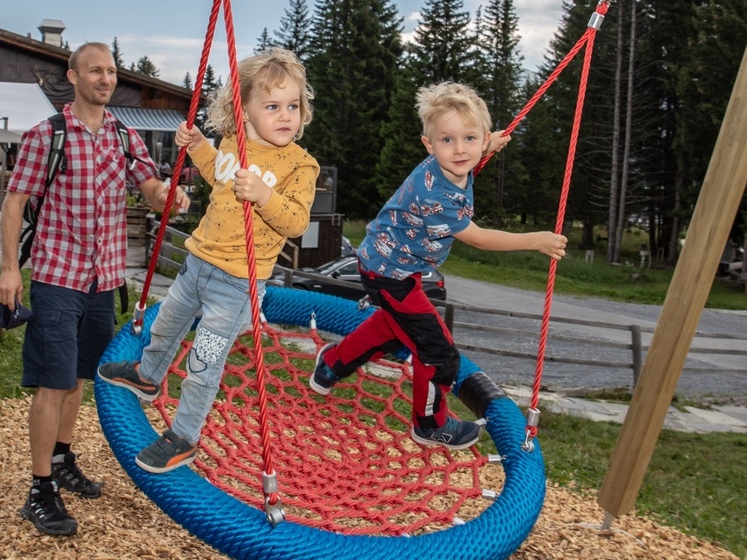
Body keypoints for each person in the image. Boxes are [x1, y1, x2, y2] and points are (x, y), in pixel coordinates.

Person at [0, 42, 189, 536]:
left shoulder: (125, 136)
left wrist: (170, 194)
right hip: (58, 277)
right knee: (53, 381)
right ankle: (39, 490)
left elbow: (149, 186)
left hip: (105, 280)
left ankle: (60, 458)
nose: (106, 78)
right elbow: (14, 203)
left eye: (111, 71)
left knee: (80, 376)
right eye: (95, 70)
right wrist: (9, 271)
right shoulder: (47, 135)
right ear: (73, 76)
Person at [310, 82, 568, 451]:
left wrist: (488, 145)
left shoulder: (451, 165)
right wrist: (534, 240)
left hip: (387, 264)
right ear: (429, 145)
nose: (460, 149)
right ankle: (429, 424)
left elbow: (466, 154)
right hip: (390, 274)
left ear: (481, 141)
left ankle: (332, 364)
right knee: (438, 351)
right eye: (447, 140)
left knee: (393, 325)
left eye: (470, 138)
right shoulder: (437, 192)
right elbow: (477, 237)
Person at [98, 48, 320, 474]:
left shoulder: (299, 165)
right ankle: (148, 375)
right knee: (165, 326)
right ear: (245, 112)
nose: (285, 115)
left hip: (236, 287)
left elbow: (296, 222)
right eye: (272, 106)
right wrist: (198, 145)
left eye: (292, 106)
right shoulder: (233, 144)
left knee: (204, 362)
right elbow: (217, 170)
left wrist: (264, 195)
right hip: (196, 267)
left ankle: (183, 437)